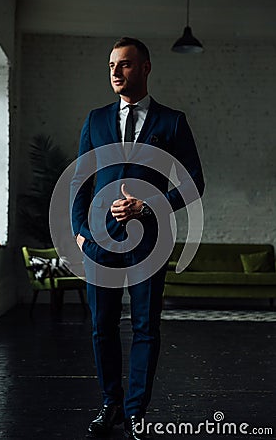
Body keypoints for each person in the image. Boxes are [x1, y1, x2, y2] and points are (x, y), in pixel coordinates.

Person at [70, 37, 204, 439]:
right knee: (102, 326)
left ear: (145, 68)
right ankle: (110, 405)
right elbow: (79, 180)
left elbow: (195, 183)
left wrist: (149, 206)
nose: (115, 71)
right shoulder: (95, 120)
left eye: (125, 64)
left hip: (150, 243)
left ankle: (136, 413)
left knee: (146, 328)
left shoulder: (172, 121)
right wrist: (79, 234)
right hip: (99, 242)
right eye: (112, 64)